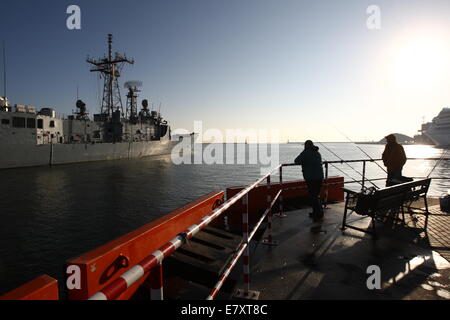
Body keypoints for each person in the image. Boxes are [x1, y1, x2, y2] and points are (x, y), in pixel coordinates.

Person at [294, 140, 324, 226]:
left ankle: (318, 214)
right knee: (316, 195)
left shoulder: (306, 153)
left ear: (306, 146)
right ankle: (318, 212)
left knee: (313, 196)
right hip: (319, 177)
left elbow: (296, 161)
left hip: (311, 178)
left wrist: (304, 152)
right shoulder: (317, 153)